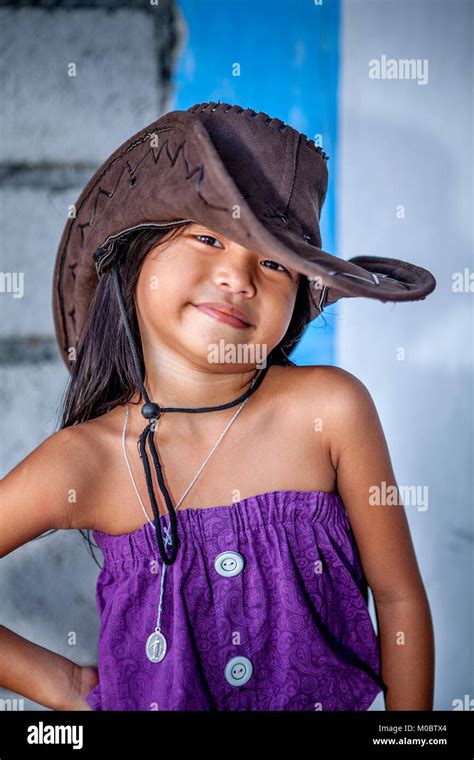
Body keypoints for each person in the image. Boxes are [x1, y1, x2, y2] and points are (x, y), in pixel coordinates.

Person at [0, 102, 435, 711]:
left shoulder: (331, 411)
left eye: (275, 261)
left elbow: (398, 600)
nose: (238, 276)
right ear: (135, 258)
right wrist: (69, 687)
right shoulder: (87, 463)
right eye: (208, 237)